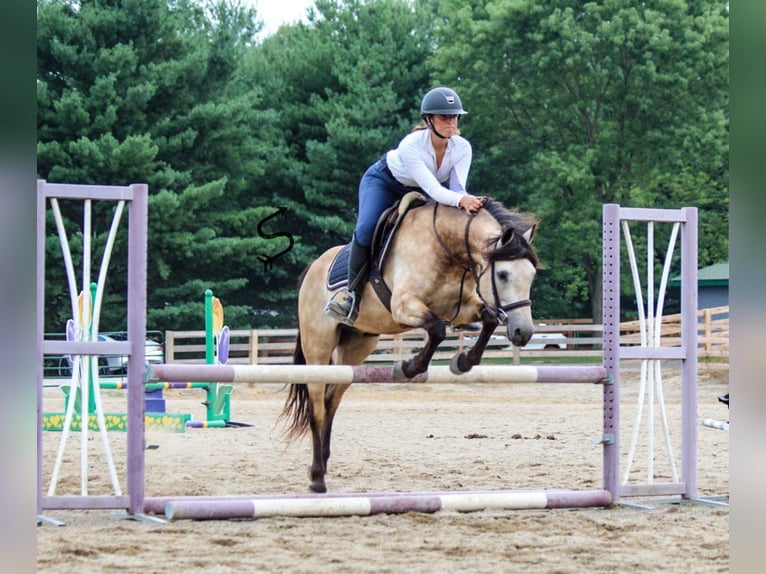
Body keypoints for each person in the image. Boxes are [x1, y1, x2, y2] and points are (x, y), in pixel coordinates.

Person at [324, 86, 486, 326]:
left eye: (454, 116)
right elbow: (434, 190)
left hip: (418, 188)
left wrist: (471, 205)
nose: (451, 122)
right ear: (428, 120)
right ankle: (349, 295)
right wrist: (461, 200)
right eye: (444, 117)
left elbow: (457, 189)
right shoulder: (411, 144)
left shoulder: (462, 147)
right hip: (384, 182)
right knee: (367, 228)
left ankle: (456, 297)